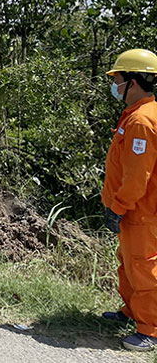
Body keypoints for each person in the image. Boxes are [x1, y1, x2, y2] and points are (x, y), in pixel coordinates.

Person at [102, 48, 157, 351]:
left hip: (139, 210)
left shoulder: (141, 122)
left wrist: (119, 206)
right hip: (130, 208)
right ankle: (132, 313)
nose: (115, 86)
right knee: (128, 263)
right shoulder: (136, 115)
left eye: (118, 80)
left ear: (133, 82)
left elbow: (138, 178)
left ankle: (150, 330)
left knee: (143, 267)